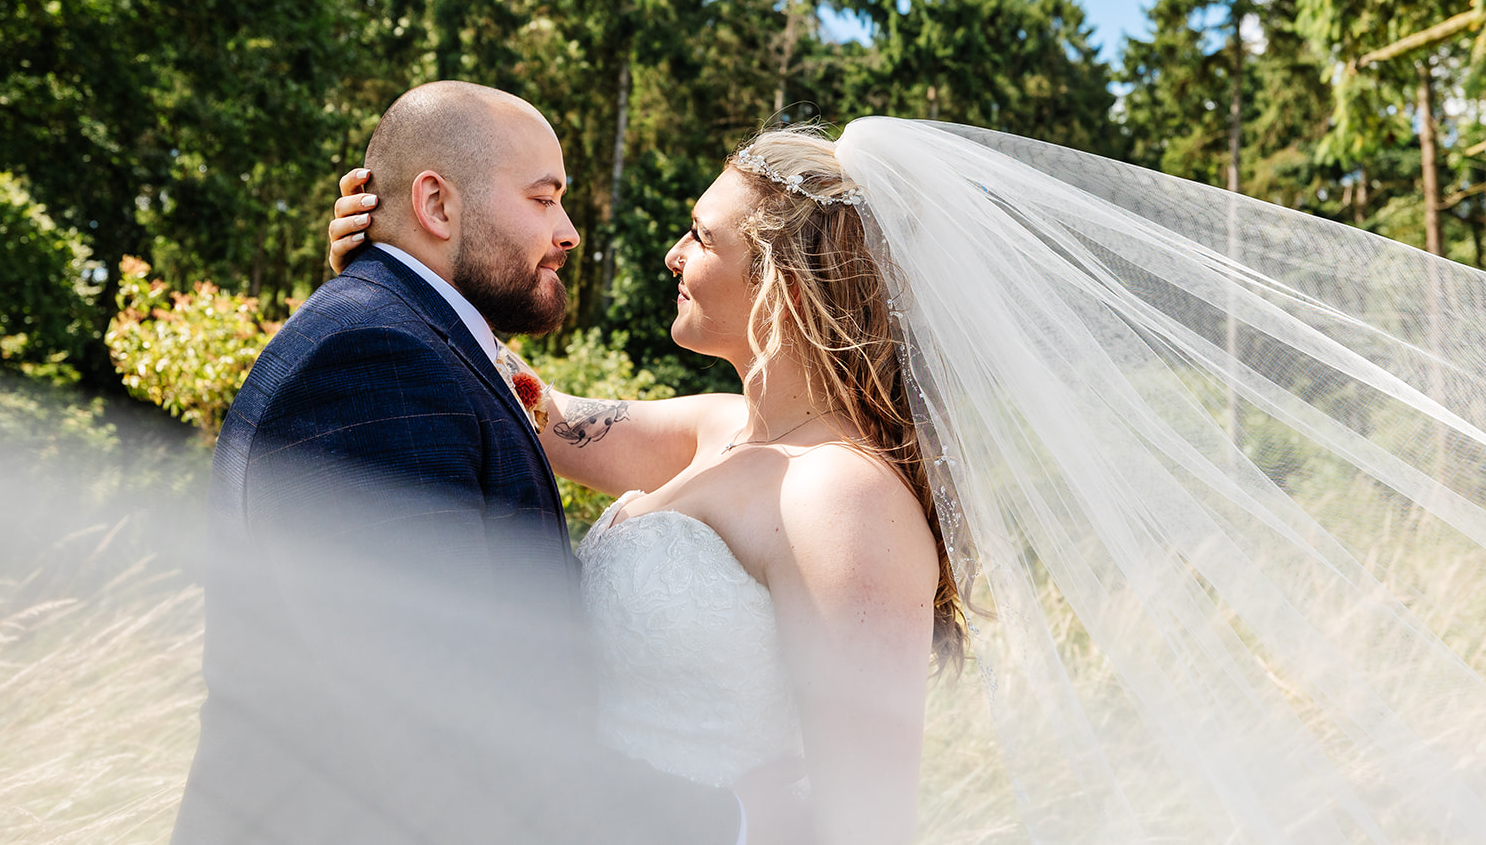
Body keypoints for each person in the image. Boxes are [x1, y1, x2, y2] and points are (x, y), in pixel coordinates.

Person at [332, 114, 1486, 843]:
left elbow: (866, 818)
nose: (674, 254)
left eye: (699, 235)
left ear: (778, 278)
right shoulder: (707, 430)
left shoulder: (848, 502)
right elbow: (524, 405)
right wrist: (394, 272)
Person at [174, 81, 788, 845]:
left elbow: (532, 404)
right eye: (544, 198)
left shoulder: (402, 346)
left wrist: (401, 270)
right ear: (437, 205)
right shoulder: (371, 361)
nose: (568, 231)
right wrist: (734, 820)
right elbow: (445, 727)